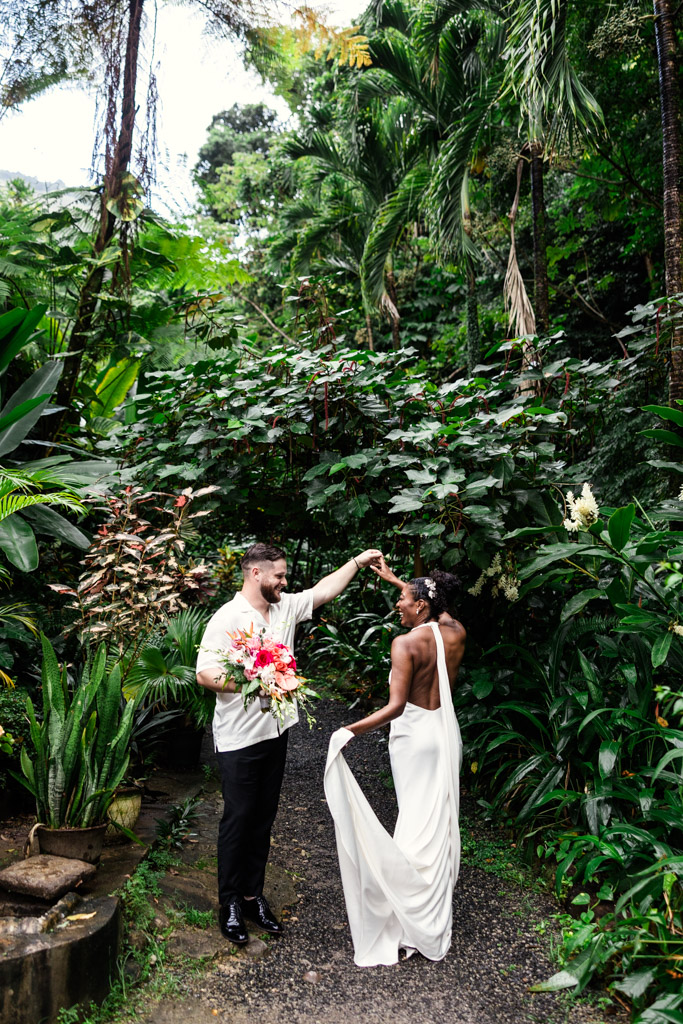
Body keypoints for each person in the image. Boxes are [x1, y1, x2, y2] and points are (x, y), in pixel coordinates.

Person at [196, 541, 382, 945]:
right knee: (238, 820)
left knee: (263, 819)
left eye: (285, 575)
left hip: (277, 732)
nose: (285, 581)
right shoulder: (227, 617)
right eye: (278, 574)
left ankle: (251, 896)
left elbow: (324, 590)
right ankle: (228, 903)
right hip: (238, 739)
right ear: (255, 574)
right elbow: (206, 674)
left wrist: (357, 560)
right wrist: (253, 684)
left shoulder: (284, 607)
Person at [324, 568, 465, 967]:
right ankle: (431, 916)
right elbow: (436, 603)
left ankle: (408, 917)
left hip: (414, 739)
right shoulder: (455, 631)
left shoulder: (405, 644)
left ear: (421, 605)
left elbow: (395, 707)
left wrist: (349, 730)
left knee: (414, 823)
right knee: (434, 825)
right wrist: (393, 578)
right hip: (445, 735)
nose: (397, 603)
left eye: (403, 599)